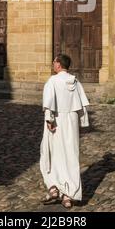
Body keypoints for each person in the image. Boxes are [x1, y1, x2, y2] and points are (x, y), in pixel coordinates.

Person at [40, 53, 90, 209]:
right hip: (72, 122)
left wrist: (49, 119)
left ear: (59, 65)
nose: (53, 64)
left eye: (54, 62)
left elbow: (49, 103)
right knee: (70, 155)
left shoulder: (53, 81)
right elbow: (82, 106)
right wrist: (82, 122)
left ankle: (54, 187)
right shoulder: (75, 82)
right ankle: (68, 195)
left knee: (51, 153)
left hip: (56, 121)